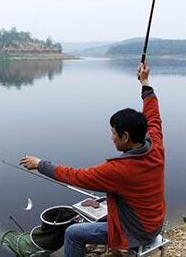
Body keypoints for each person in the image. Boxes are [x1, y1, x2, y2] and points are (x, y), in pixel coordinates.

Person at [19, 62, 165, 257]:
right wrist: (145, 82)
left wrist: (39, 164)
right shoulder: (155, 144)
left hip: (138, 231)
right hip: (154, 221)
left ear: (126, 137)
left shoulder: (119, 170)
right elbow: (153, 114)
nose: (111, 137)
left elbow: (75, 176)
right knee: (97, 217)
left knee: (72, 233)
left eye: (113, 133)